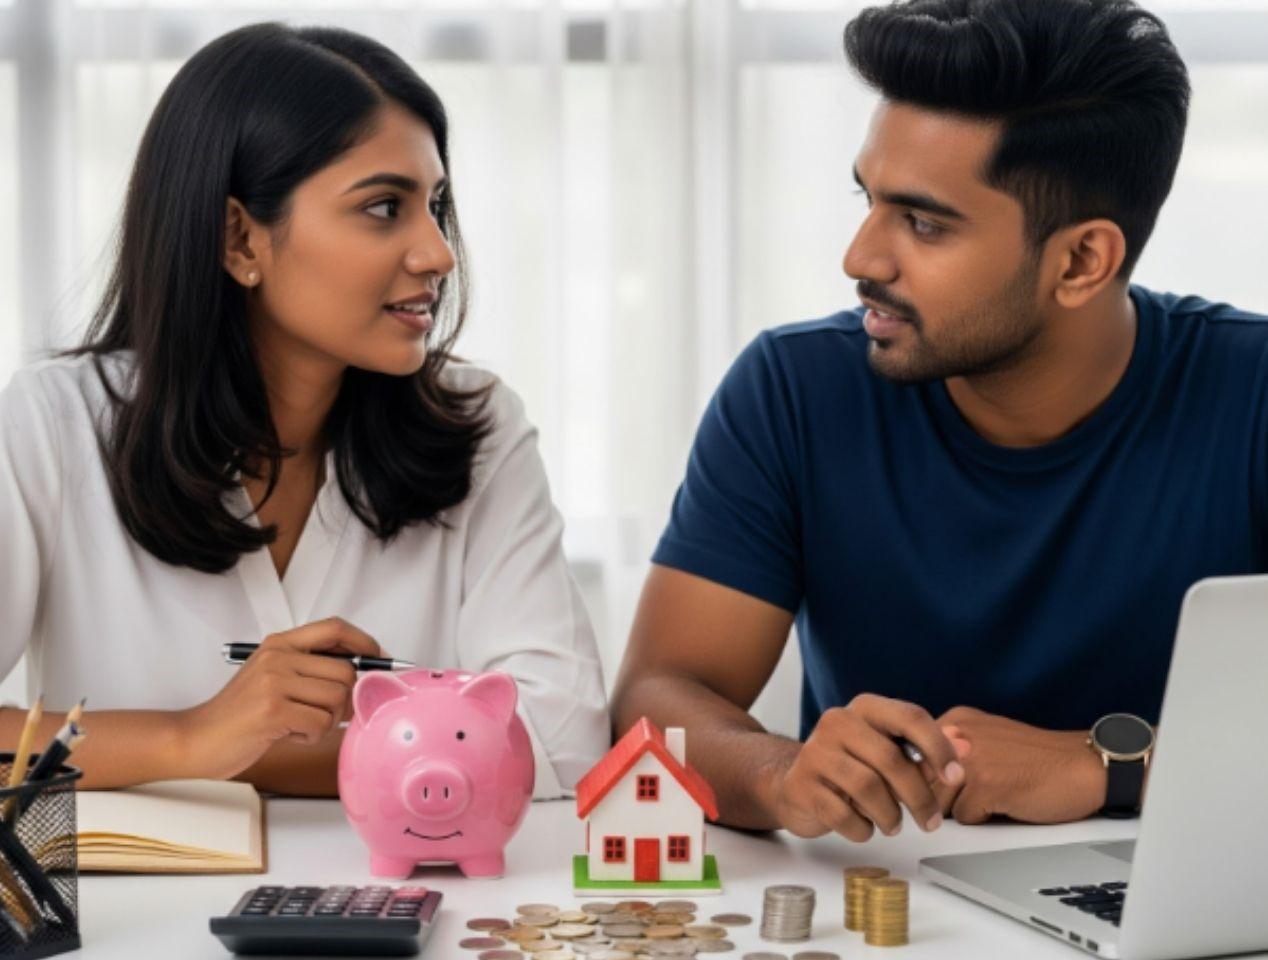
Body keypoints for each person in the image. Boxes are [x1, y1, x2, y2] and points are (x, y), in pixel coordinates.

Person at [612, 0, 1262, 841]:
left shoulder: (1253, 391)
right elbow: (656, 696)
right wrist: (782, 775)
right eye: (868, 199)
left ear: (1079, 261)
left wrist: (1099, 766)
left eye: (922, 223)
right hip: (896, 912)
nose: (861, 258)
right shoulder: (794, 389)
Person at [0, 23, 606, 799]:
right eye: (385, 207)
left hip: (413, 910)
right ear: (239, 238)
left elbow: (566, 737)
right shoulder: (55, 426)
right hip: (141, 919)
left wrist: (230, 756)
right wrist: (191, 736)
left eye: (436, 206)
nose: (439, 254)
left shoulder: (479, 425)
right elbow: (517, 748)